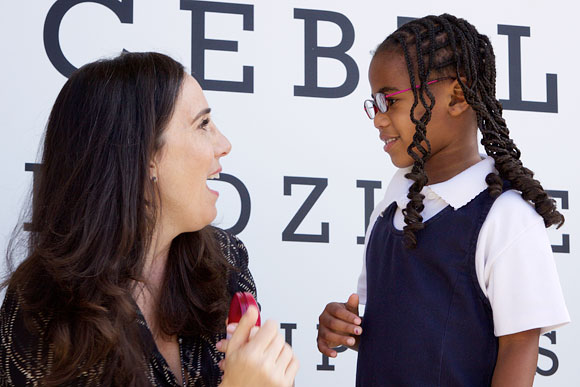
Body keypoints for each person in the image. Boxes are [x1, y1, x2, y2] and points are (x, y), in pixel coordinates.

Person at [0, 52, 298, 386]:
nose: (224, 144)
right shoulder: (41, 307)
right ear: (144, 158)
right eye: (203, 125)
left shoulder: (225, 262)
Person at [317, 14, 569, 386]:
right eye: (374, 103)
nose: (378, 119)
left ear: (456, 96)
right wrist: (344, 329)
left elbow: (519, 347)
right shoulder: (391, 205)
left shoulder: (504, 216)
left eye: (390, 100)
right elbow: (404, 336)